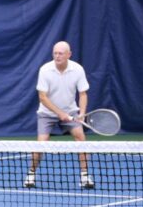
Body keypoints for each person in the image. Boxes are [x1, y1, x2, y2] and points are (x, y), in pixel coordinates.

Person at [25, 41, 94, 189]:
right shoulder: (45, 70)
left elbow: (83, 94)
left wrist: (81, 113)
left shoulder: (78, 69)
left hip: (70, 111)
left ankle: (85, 176)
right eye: (55, 53)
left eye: (60, 53)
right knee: (41, 143)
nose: (57, 56)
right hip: (46, 112)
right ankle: (31, 174)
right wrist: (60, 113)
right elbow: (42, 97)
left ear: (69, 54)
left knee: (81, 138)